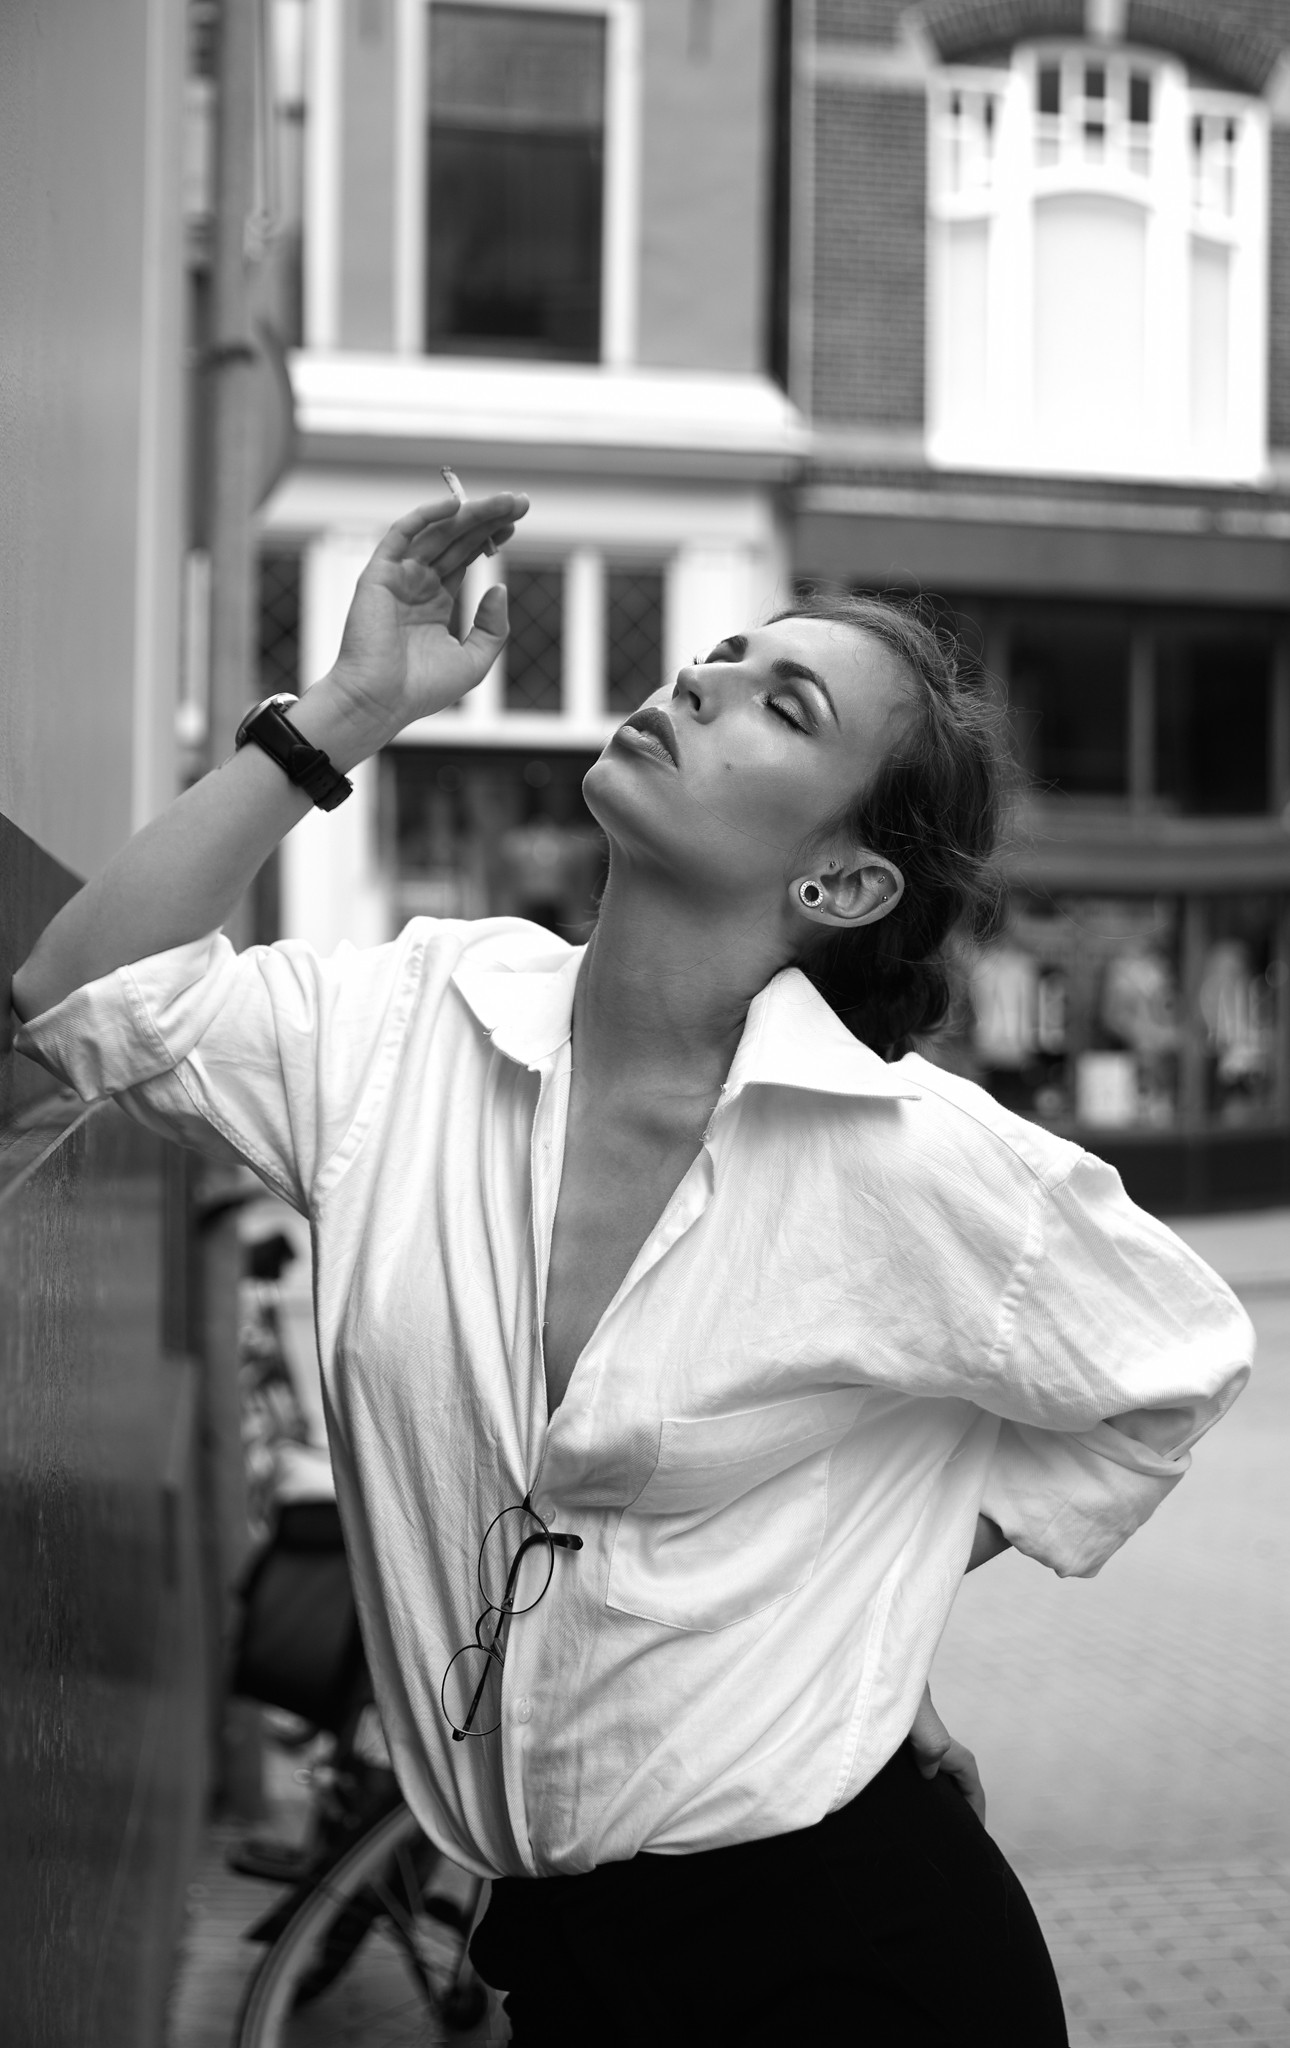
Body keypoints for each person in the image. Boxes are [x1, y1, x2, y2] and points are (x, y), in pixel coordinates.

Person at [13, 492, 1252, 2046]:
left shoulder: (914, 1156)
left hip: (849, 1955)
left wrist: (852, 1612)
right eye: (721, 658)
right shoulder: (412, 1028)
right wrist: (348, 711)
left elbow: (1173, 1367)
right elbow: (81, 996)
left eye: (778, 704)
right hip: (559, 1961)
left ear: (843, 882)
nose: (698, 683)